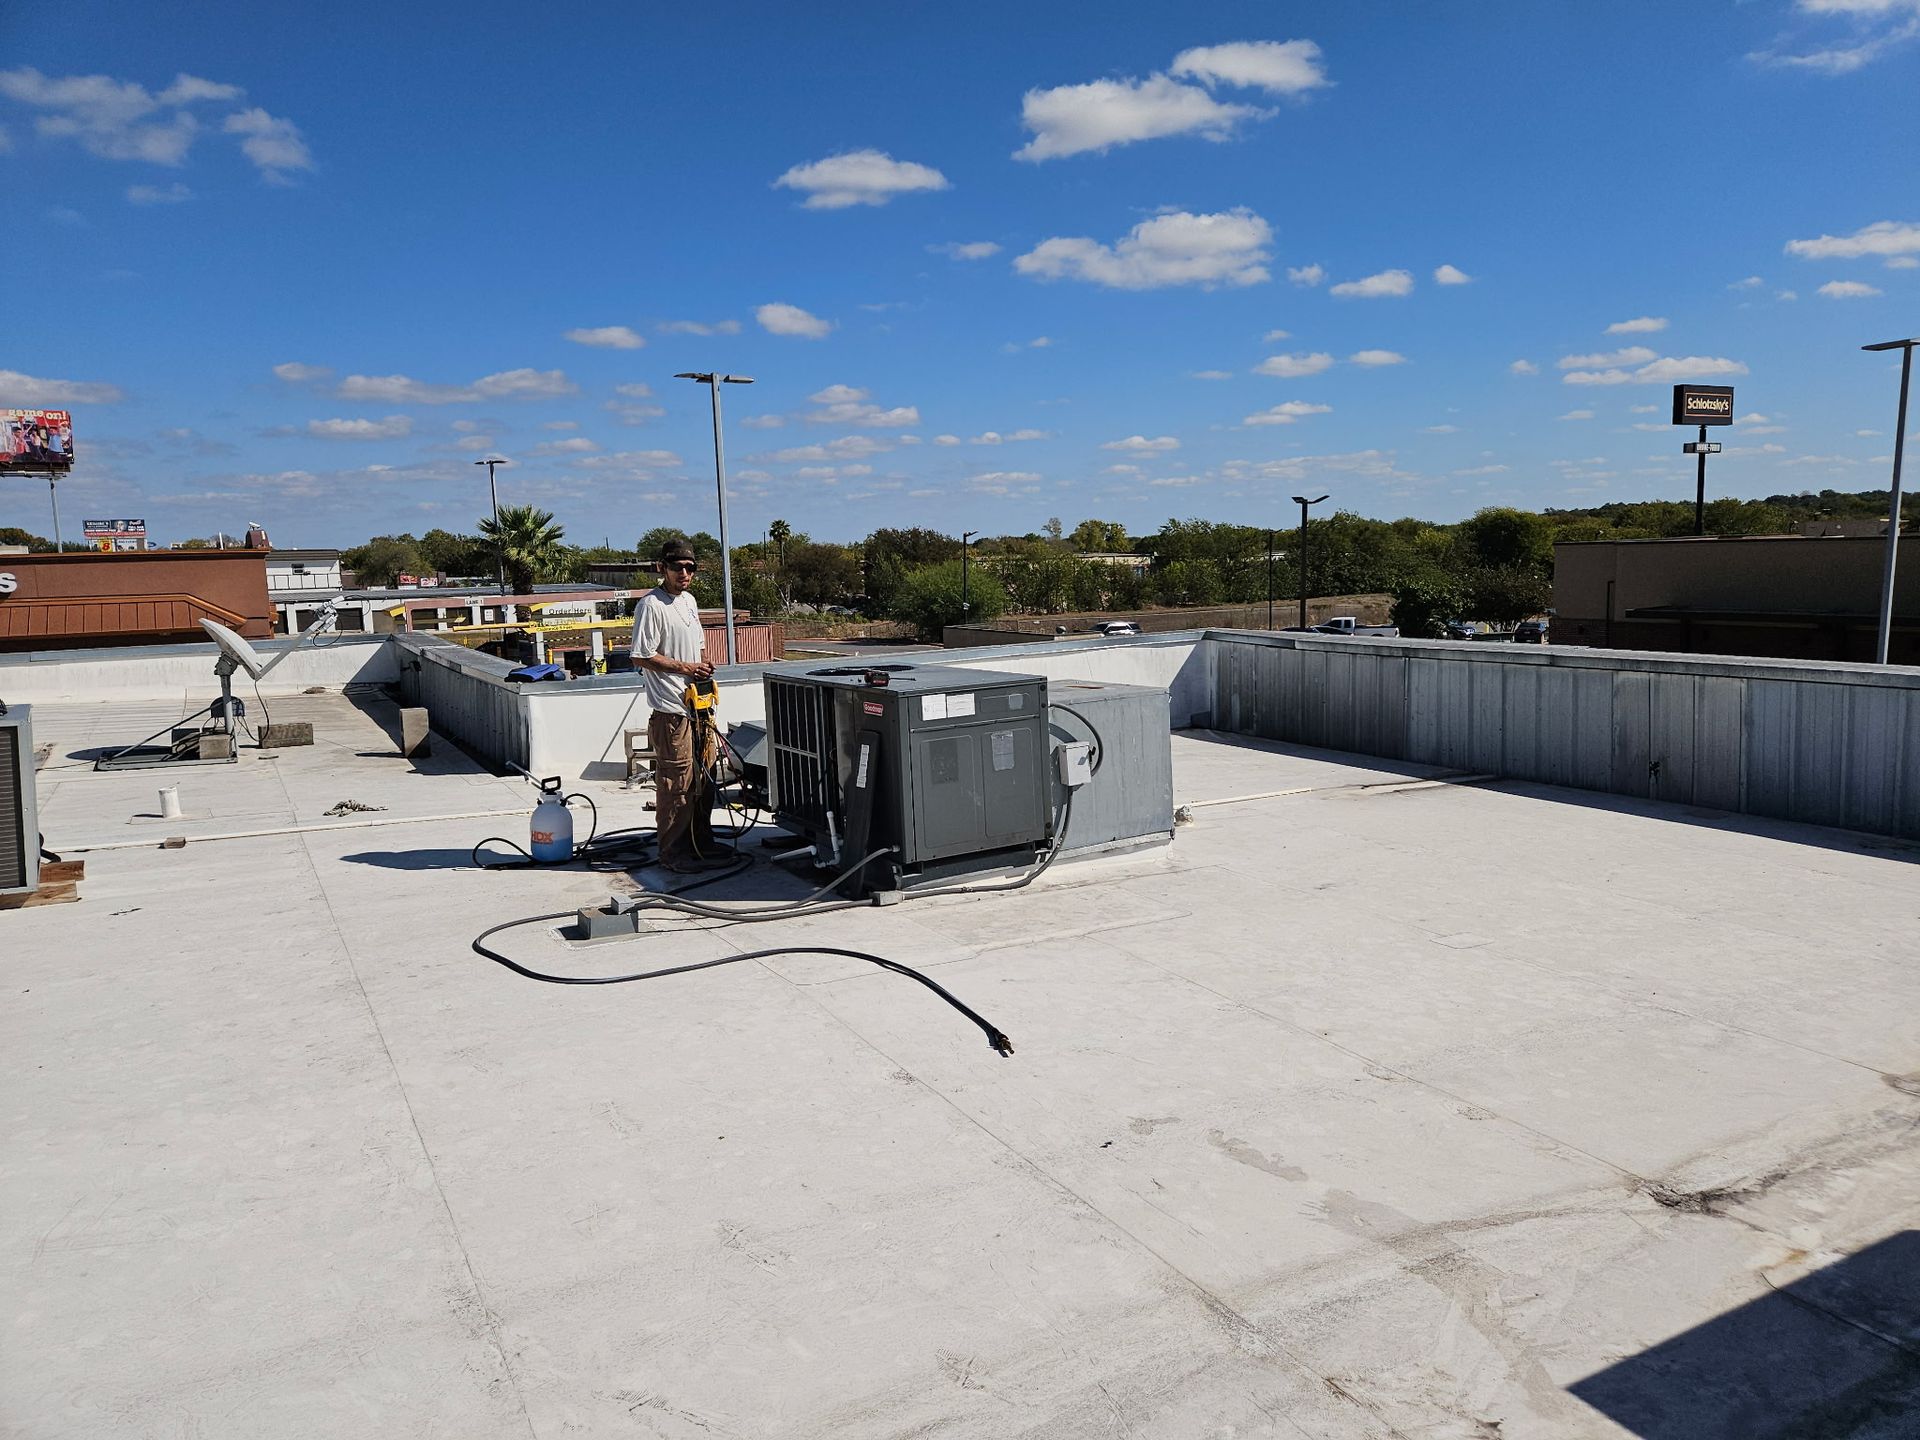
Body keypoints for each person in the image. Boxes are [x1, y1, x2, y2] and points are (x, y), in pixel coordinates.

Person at [629, 537, 722, 872]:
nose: (684, 573)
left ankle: (701, 843)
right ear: (661, 568)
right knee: (677, 784)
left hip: (698, 708)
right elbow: (641, 655)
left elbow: (697, 648)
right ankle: (672, 854)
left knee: (706, 777)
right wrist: (685, 668)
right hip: (671, 711)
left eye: (690, 567)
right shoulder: (651, 605)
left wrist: (703, 666)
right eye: (677, 567)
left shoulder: (690, 602)